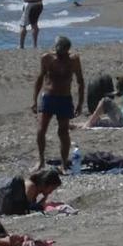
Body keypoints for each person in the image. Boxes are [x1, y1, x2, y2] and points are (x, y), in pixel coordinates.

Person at [33, 36, 85, 167]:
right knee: (41, 129)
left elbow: (80, 81)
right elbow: (40, 78)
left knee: (63, 132)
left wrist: (80, 103)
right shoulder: (47, 58)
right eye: (60, 51)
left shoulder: (73, 60)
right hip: (48, 97)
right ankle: (41, 161)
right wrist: (34, 99)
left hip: (64, 98)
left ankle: (63, 163)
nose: (62, 54)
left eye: (64, 51)